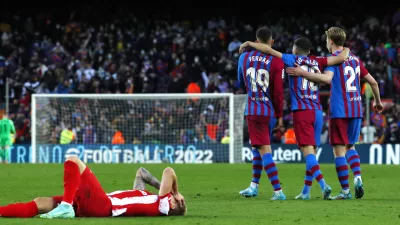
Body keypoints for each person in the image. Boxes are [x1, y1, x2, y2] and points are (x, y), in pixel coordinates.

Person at [239, 36, 349, 200]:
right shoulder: (318, 60)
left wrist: (248, 43)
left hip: (302, 111)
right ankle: (306, 191)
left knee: (307, 152)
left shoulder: (291, 59)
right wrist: (346, 48)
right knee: (312, 152)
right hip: (318, 112)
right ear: (309, 51)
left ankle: (324, 185)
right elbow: (341, 57)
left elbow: (268, 50)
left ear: (295, 49)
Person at [286, 27, 383, 200]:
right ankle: (358, 177)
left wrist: (303, 73)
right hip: (356, 109)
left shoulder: (333, 60)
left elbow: (326, 79)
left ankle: (345, 191)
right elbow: (373, 83)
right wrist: (377, 101)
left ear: (330, 41)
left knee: (339, 152)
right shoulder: (355, 60)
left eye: (326, 41)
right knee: (351, 146)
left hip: (339, 109)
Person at [0, 156, 186, 218]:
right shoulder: (147, 196)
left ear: (172, 205)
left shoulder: (162, 206)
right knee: (40, 202)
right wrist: (165, 189)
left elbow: (169, 171)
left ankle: (66, 207)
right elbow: (141, 172)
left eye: (178, 202)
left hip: (103, 205)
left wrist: (176, 192)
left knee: (73, 160)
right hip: (96, 204)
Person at [237, 27, 286, 200]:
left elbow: (240, 82)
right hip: (270, 111)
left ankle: (278, 191)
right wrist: (280, 116)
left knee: (264, 149)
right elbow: (279, 93)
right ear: (272, 42)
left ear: (256, 41)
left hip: (254, 110)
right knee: (257, 148)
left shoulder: (244, 58)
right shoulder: (278, 62)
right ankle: (254, 187)